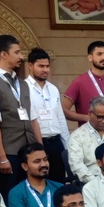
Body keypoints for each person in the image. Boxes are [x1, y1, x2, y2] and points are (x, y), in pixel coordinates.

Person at [0, 34, 42, 198]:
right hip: (9, 151)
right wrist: (2, 157)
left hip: (29, 150)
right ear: (3, 54)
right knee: (8, 196)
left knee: (29, 195)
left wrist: (40, 149)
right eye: (16, 52)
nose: (21, 57)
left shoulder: (23, 83)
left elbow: (33, 119)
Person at [25, 48, 71, 183]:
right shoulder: (23, 88)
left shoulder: (53, 89)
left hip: (56, 143)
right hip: (36, 143)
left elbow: (60, 119)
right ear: (30, 65)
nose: (45, 70)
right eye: (41, 66)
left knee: (58, 183)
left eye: (47, 66)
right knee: (39, 182)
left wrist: (67, 146)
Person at [62, 41, 104, 130]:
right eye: (99, 54)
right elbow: (63, 110)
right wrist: (87, 118)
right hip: (90, 134)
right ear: (90, 58)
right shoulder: (79, 82)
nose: (103, 57)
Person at [7, 143, 62, 207]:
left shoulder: (59, 188)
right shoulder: (17, 193)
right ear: (25, 166)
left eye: (45, 159)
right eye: (37, 161)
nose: (44, 164)